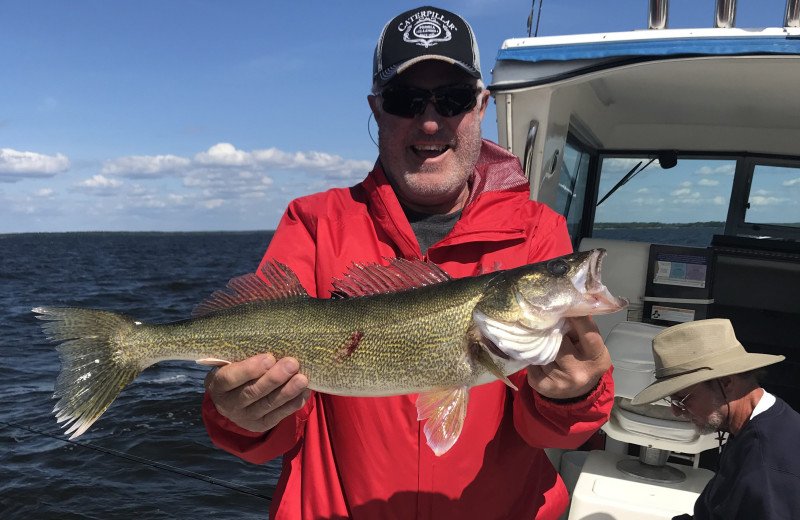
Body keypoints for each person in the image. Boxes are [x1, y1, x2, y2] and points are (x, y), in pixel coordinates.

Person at [202, 6, 614, 519]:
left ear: (482, 106)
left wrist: (571, 397)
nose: (431, 119)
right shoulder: (313, 222)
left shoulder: (537, 232)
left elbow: (549, 432)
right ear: (376, 109)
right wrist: (241, 415)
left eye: (454, 98)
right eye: (406, 100)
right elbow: (270, 435)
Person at [631, 318, 800, 520]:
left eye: (682, 399)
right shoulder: (755, 425)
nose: (676, 411)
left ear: (726, 382)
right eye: (672, 401)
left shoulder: (765, 470)